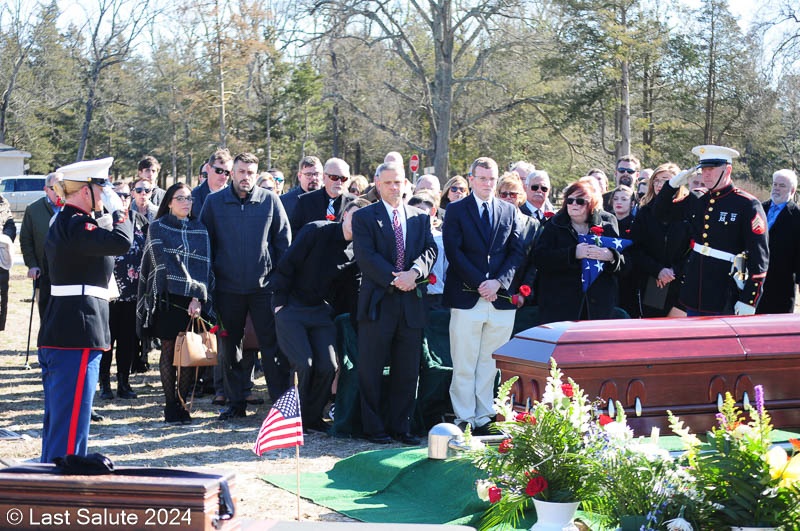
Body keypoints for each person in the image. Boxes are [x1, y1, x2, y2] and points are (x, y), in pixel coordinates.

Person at [37, 157, 133, 463]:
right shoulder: (75, 224)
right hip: (76, 331)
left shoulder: (69, 222)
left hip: (68, 327)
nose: (105, 194)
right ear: (84, 190)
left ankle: (51, 478)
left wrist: (104, 212)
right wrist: (120, 211)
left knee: (61, 420)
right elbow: (122, 242)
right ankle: (60, 481)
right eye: (100, 188)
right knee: (70, 423)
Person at [200, 152, 291, 420]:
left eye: (251, 173)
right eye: (241, 172)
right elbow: (205, 244)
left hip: (264, 288)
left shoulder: (270, 201)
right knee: (230, 349)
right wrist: (209, 283)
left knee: (272, 347)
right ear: (232, 173)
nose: (246, 177)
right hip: (227, 289)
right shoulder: (214, 202)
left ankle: (279, 405)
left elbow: (283, 243)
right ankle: (235, 403)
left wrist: (278, 281)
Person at [352, 161, 437, 445]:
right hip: (378, 302)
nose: (393, 188)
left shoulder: (419, 218)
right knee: (371, 369)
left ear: (406, 184)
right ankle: (374, 427)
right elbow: (365, 256)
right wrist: (396, 279)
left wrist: (414, 273)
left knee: (407, 370)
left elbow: (430, 250)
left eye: (398, 182)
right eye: (388, 183)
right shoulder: (365, 217)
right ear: (378, 184)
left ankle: (402, 427)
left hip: (411, 303)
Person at [271, 197, 369, 433]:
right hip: (291, 306)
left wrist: (360, 324)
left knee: (328, 365)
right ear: (344, 215)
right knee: (304, 363)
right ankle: (291, 419)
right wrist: (279, 303)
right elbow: (287, 264)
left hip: (320, 312)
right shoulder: (315, 230)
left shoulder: (358, 251)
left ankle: (311, 418)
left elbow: (353, 291)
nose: (357, 223)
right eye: (354, 217)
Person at [442, 157, 523, 435]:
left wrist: (498, 282)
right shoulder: (456, 210)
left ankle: (485, 415)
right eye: (482, 178)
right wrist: (480, 283)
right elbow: (454, 252)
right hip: (467, 296)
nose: (488, 184)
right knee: (464, 362)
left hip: (499, 300)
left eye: (492, 179)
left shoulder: (508, 210)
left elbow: (516, 252)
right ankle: (464, 416)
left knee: (490, 363)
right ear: (471, 179)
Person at [654, 145, 769, 316]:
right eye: (703, 169)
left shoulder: (746, 204)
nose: (706, 174)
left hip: (724, 291)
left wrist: (749, 300)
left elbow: (759, 258)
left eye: (711, 169)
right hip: (694, 289)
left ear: (727, 170)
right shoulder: (697, 197)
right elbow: (660, 213)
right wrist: (672, 185)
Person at [137, 183, 214, 423]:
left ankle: (183, 403)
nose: (185, 202)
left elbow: (203, 268)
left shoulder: (200, 229)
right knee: (169, 351)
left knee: (189, 354)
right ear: (169, 202)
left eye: (189, 198)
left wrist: (196, 299)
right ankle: (170, 405)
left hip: (191, 302)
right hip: (166, 298)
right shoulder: (157, 227)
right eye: (180, 198)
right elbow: (157, 263)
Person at [534, 179, 627, 324]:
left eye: (580, 201)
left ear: (592, 204)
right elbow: (539, 259)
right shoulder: (554, 225)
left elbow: (626, 263)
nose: (574, 204)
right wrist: (573, 254)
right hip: (560, 307)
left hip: (598, 308)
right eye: (570, 200)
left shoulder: (607, 226)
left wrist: (611, 256)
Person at [99, 182, 148, 400]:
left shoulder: (139, 221)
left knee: (128, 342)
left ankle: (124, 383)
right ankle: (105, 384)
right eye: (119, 195)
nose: (124, 198)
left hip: (133, 293)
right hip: (107, 293)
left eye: (127, 195)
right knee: (107, 341)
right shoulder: (103, 220)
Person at [630, 163, 692, 317]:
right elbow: (636, 249)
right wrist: (658, 271)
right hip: (655, 282)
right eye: (656, 180)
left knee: (680, 329)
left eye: (665, 180)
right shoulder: (645, 212)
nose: (659, 185)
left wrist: (674, 271)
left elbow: (694, 249)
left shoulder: (688, 211)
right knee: (656, 327)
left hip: (682, 281)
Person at [756, 169, 800, 314]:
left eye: (782, 186)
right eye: (775, 184)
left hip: (782, 284)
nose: (776, 188)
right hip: (755, 281)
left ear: (792, 190)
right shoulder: (759, 208)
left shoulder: (797, 216)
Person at [19, 172, 62, 319]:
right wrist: (32, 265)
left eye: (62, 187)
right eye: (54, 188)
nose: (59, 192)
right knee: (46, 317)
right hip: (43, 275)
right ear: (46, 189)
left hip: (68, 276)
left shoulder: (71, 207)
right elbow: (26, 240)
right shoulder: (33, 209)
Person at [496, 173, 539, 307]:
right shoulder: (492, 222)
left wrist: (524, 291)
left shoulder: (532, 224)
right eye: (504, 194)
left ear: (520, 197)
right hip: (492, 290)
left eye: (513, 194)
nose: (508, 197)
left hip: (517, 294)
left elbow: (534, 262)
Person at [290, 157, 354, 235]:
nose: (339, 182)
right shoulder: (305, 201)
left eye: (343, 178)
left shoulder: (353, 204)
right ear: (324, 177)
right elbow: (294, 233)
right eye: (334, 177)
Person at [407, 191, 447, 309]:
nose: (416, 215)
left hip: (437, 296)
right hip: (411, 295)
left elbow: (448, 269)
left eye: (420, 210)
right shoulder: (406, 239)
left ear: (433, 211)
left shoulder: (442, 240)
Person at [609, 185, 638, 317]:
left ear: (632, 203)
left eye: (624, 199)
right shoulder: (605, 224)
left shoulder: (637, 224)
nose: (619, 202)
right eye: (615, 199)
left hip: (631, 280)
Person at [192, 149, 233, 218]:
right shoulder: (194, 196)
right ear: (208, 168)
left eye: (227, 172)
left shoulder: (234, 196)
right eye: (219, 171)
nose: (223, 176)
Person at [0, 192, 15, 331]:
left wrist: (5, 238)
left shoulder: (3, 204)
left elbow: (10, 226)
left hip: (1, 259)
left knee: (2, 295)